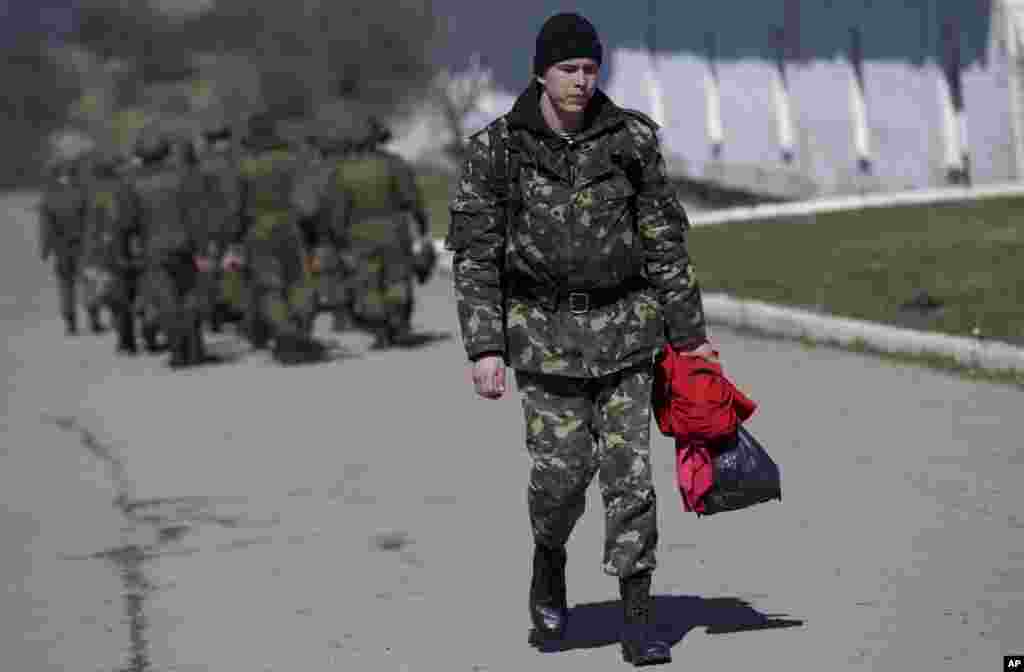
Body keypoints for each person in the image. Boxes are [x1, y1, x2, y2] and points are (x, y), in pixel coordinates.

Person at [447, 12, 717, 667]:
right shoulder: (498, 150)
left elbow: (664, 243)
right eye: (569, 69)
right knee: (563, 475)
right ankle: (549, 557)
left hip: (627, 332)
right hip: (543, 338)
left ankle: (639, 616)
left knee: (631, 480)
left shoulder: (630, 141)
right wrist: (485, 347)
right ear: (541, 72)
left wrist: (691, 338)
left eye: (591, 69)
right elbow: (476, 255)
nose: (581, 80)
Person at [228, 111, 327, 364]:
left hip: (258, 233)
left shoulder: (244, 166)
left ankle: (284, 332)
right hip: (291, 228)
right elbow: (309, 203)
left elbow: (235, 208)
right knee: (298, 282)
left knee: (269, 287)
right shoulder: (294, 160)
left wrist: (234, 238)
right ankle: (301, 328)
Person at [340, 117, 430, 349]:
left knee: (367, 282)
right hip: (394, 230)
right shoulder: (394, 164)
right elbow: (412, 200)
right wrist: (422, 226)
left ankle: (380, 330)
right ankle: (399, 325)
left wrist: (339, 237)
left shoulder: (344, 171)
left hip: (359, 233)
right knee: (397, 278)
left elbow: (336, 210)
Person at [123, 134, 212, 368]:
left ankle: (178, 353)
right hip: (185, 246)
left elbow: (127, 222)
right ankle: (195, 350)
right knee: (189, 297)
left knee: (166, 301)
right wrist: (201, 247)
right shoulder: (182, 176)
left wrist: (127, 251)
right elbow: (197, 214)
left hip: (154, 250)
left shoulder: (133, 183)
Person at [38, 158, 87, 335]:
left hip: (61, 247)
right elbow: (88, 220)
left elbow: (46, 226)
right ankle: (94, 315)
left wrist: (44, 249)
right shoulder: (81, 192)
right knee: (87, 280)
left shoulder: (49, 195)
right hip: (82, 244)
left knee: (66, 285)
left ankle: (70, 321)